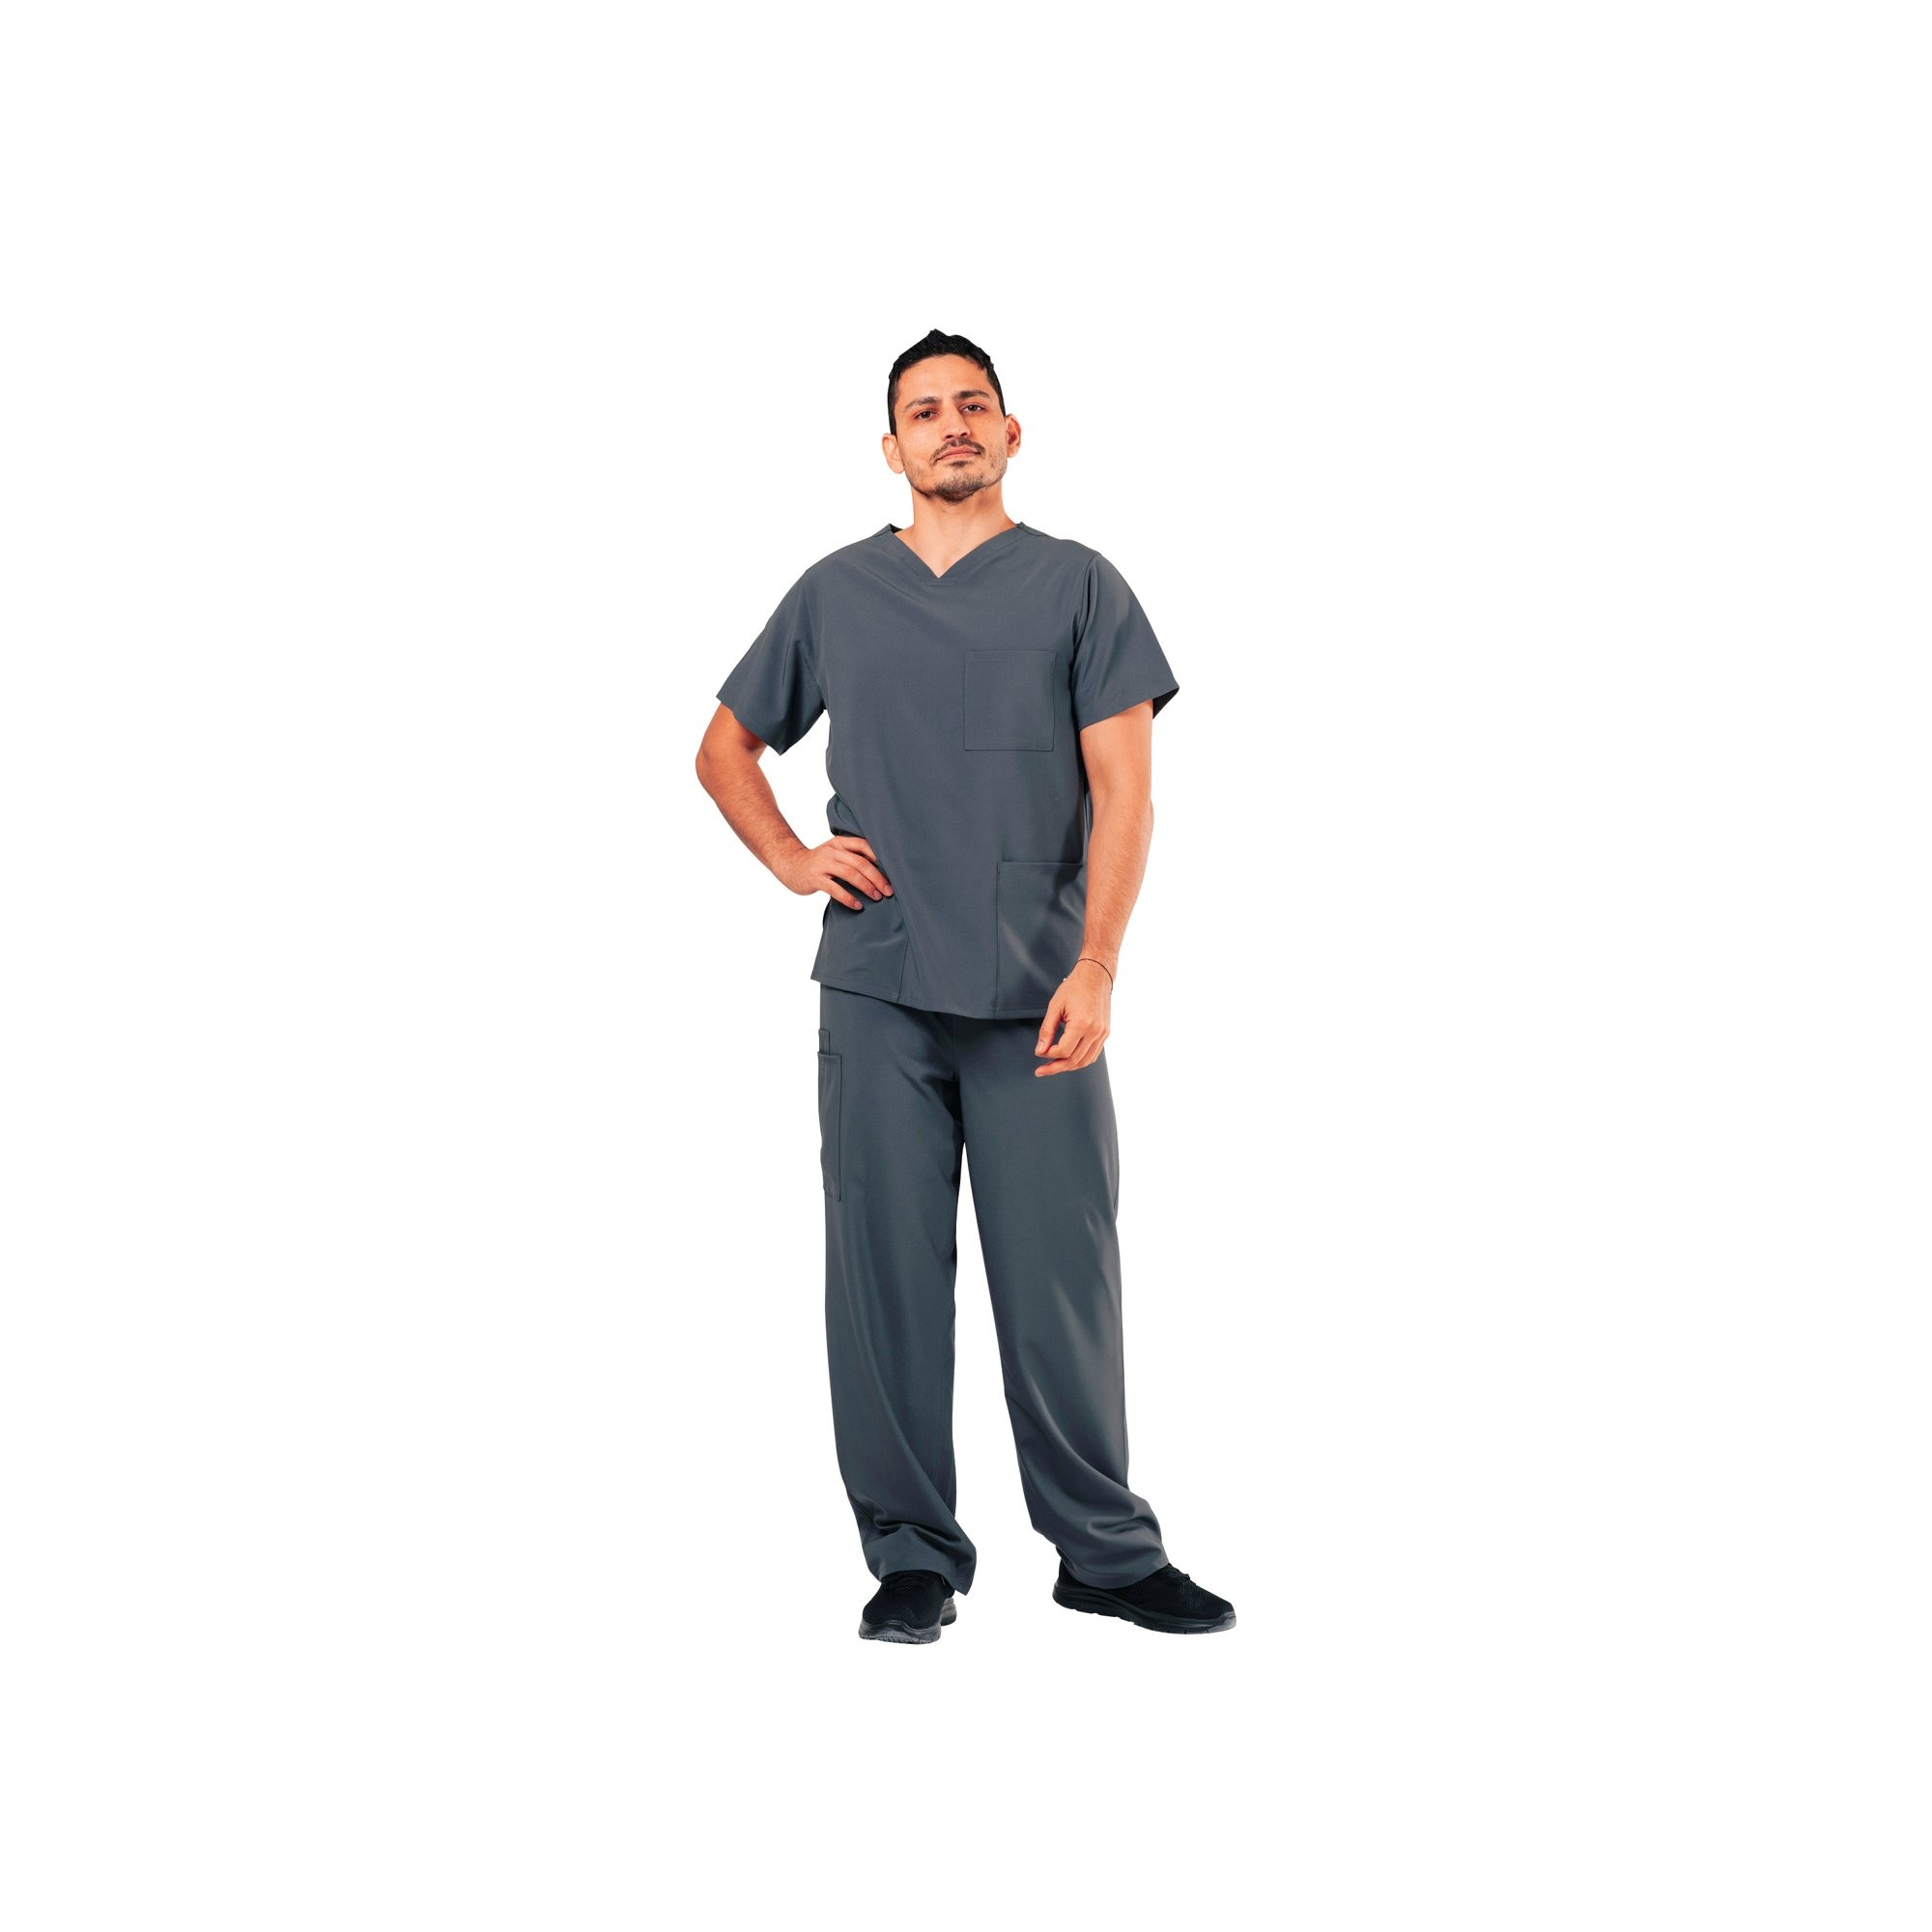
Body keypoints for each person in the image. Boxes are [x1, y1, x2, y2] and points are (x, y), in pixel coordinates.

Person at [696, 329, 1235, 1643]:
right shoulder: (835, 593)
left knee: (1062, 1279)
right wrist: (792, 858)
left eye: (973, 405)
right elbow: (723, 747)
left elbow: (1125, 795)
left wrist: (1098, 962)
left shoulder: (1080, 587)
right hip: (878, 981)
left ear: (1010, 432)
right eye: (925, 410)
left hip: (1040, 987)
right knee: (881, 1277)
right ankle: (912, 1557)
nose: (952, 424)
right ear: (891, 448)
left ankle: (1103, 1551)